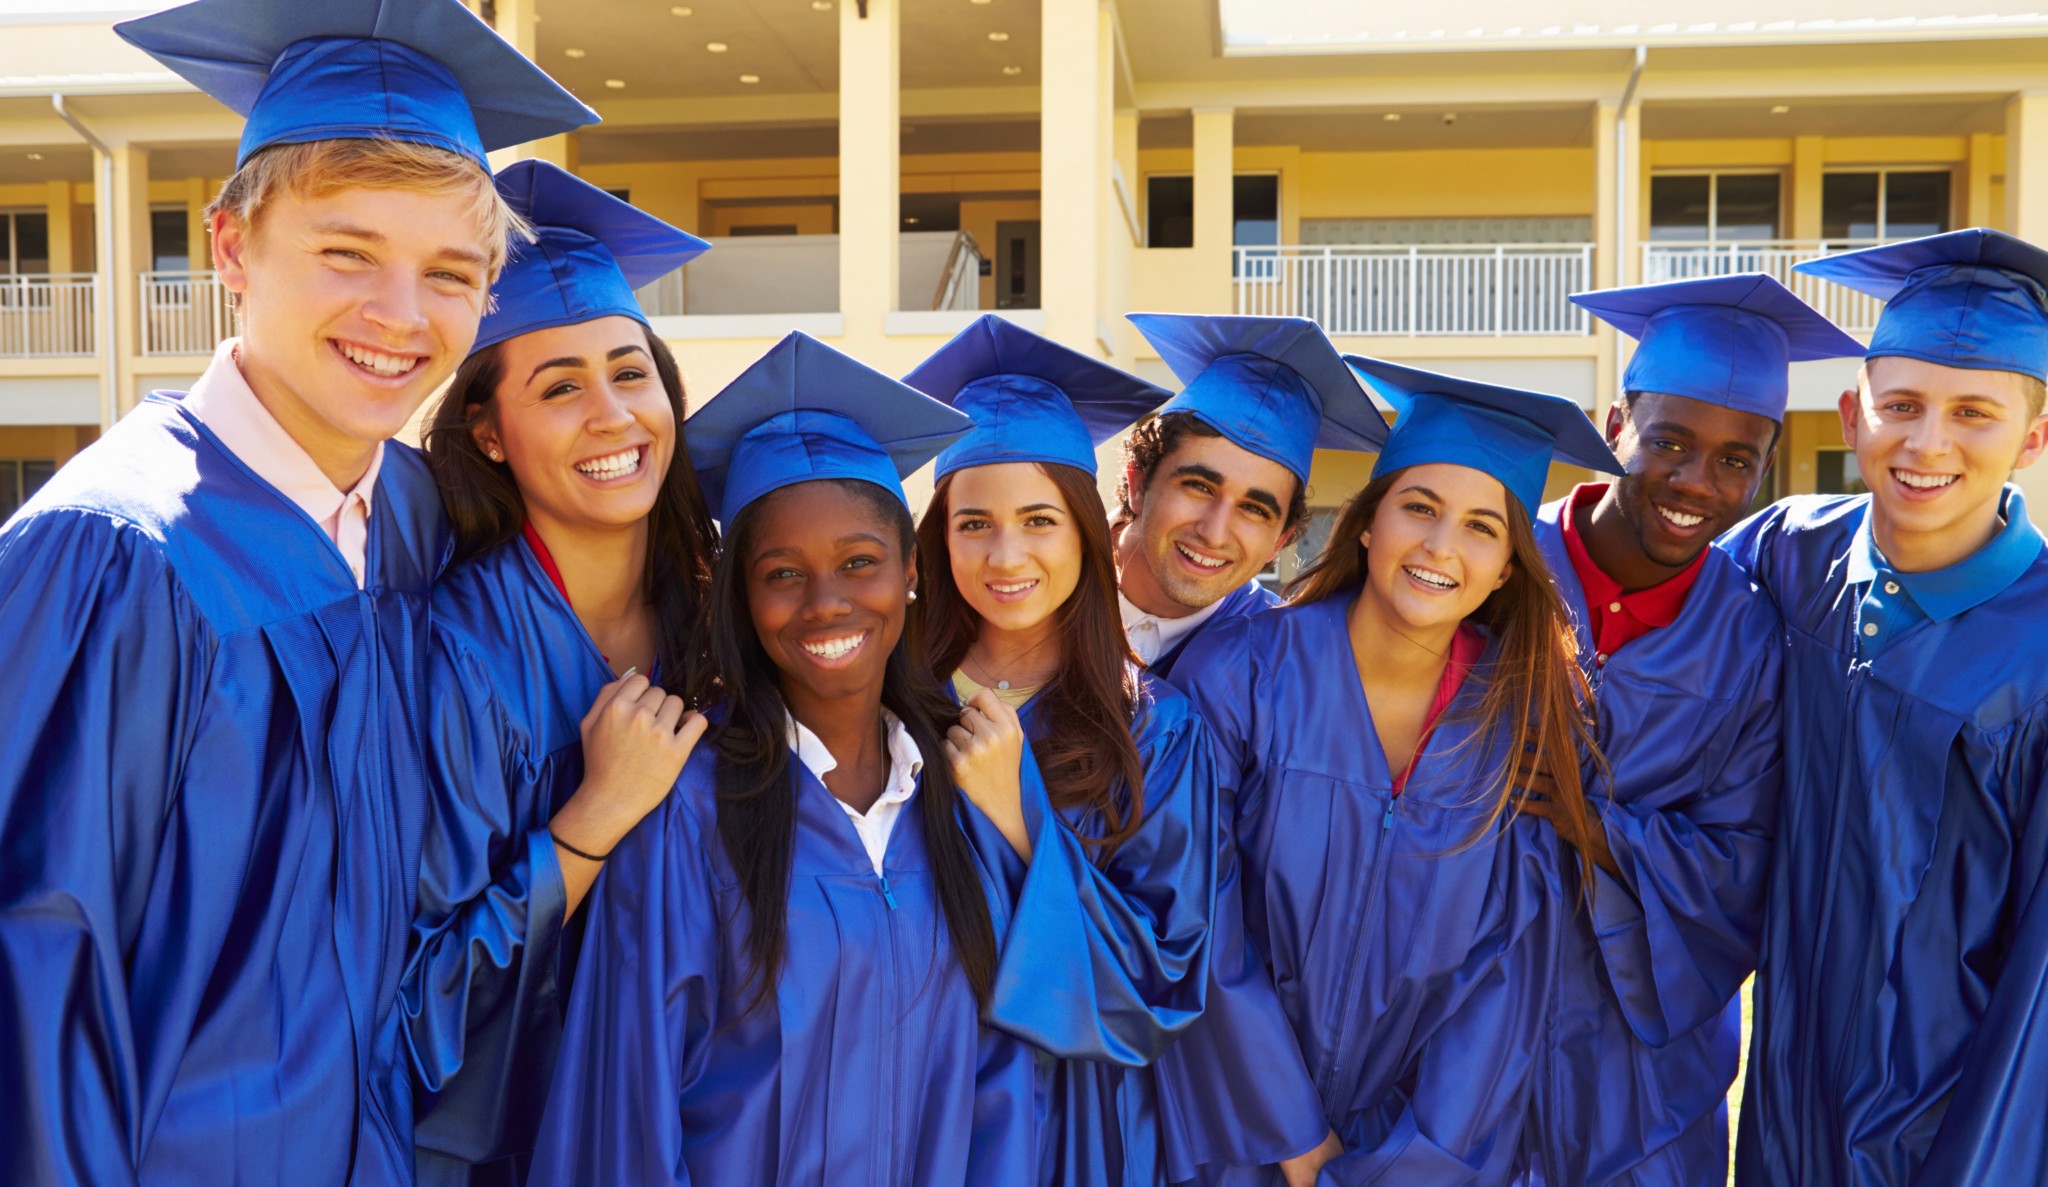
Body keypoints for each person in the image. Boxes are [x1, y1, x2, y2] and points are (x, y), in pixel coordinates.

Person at [0, 1, 592, 1183]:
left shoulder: (423, 525)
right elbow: (32, 989)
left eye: (451, 273)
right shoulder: (111, 555)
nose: (401, 315)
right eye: (347, 253)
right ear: (230, 247)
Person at [527, 332, 1040, 1186]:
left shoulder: (967, 792)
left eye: (859, 563)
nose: (826, 601)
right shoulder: (685, 808)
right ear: (742, 593)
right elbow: (626, 1104)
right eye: (781, 573)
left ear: (912, 571)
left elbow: (1005, 1088)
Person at [1162, 358, 1623, 1185]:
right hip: (1224, 1133)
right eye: (1420, 507)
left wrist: (1409, 1165)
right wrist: (1298, 1140)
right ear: (1369, 522)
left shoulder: (1522, 721)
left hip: (1413, 1153)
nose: (1442, 546)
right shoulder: (1238, 675)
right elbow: (1198, 918)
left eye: (1483, 526)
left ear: (1508, 566)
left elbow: (1504, 981)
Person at [407, 161, 718, 1185]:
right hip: (511, 1141)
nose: (613, 414)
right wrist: (595, 815)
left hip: (695, 1121)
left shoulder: (716, 620)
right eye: (559, 387)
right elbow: (421, 999)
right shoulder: (454, 654)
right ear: (488, 432)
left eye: (630, 373)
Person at [1720, 228, 2048, 1186]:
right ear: (1853, 411)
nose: (1928, 442)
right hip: (1778, 1105)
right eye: (1900, 405)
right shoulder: (1786, 555)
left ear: (2032, 435)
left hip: (1950, 1129)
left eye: (1974, 412)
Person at [1518, 274, 1861, 1187]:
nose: (1696, 482)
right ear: (1615, 419)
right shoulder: (1498, 566)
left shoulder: (1753, 637)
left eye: (1735, 460)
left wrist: (1590, 825)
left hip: (1644, 1076)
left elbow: (1746, 861)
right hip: (1470, 1027)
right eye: (1669, 440)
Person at [905, 313, 1237, 1186]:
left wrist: (1023, 825)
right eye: (973, 522)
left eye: (1039, 519)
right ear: (939, 536)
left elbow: (1162, 983)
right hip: (905, 1104)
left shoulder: (1157, 732)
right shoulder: (889, 703)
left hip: (1067, 1131)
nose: (1006, 553)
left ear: (1086, 532)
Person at [1116, 314, 1387, 678]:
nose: (1214, 532)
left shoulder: (1280, 664)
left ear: (1281, 541)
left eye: (1254, 509)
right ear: (1138, 484)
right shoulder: (1036, 589)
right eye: (1199, 487)